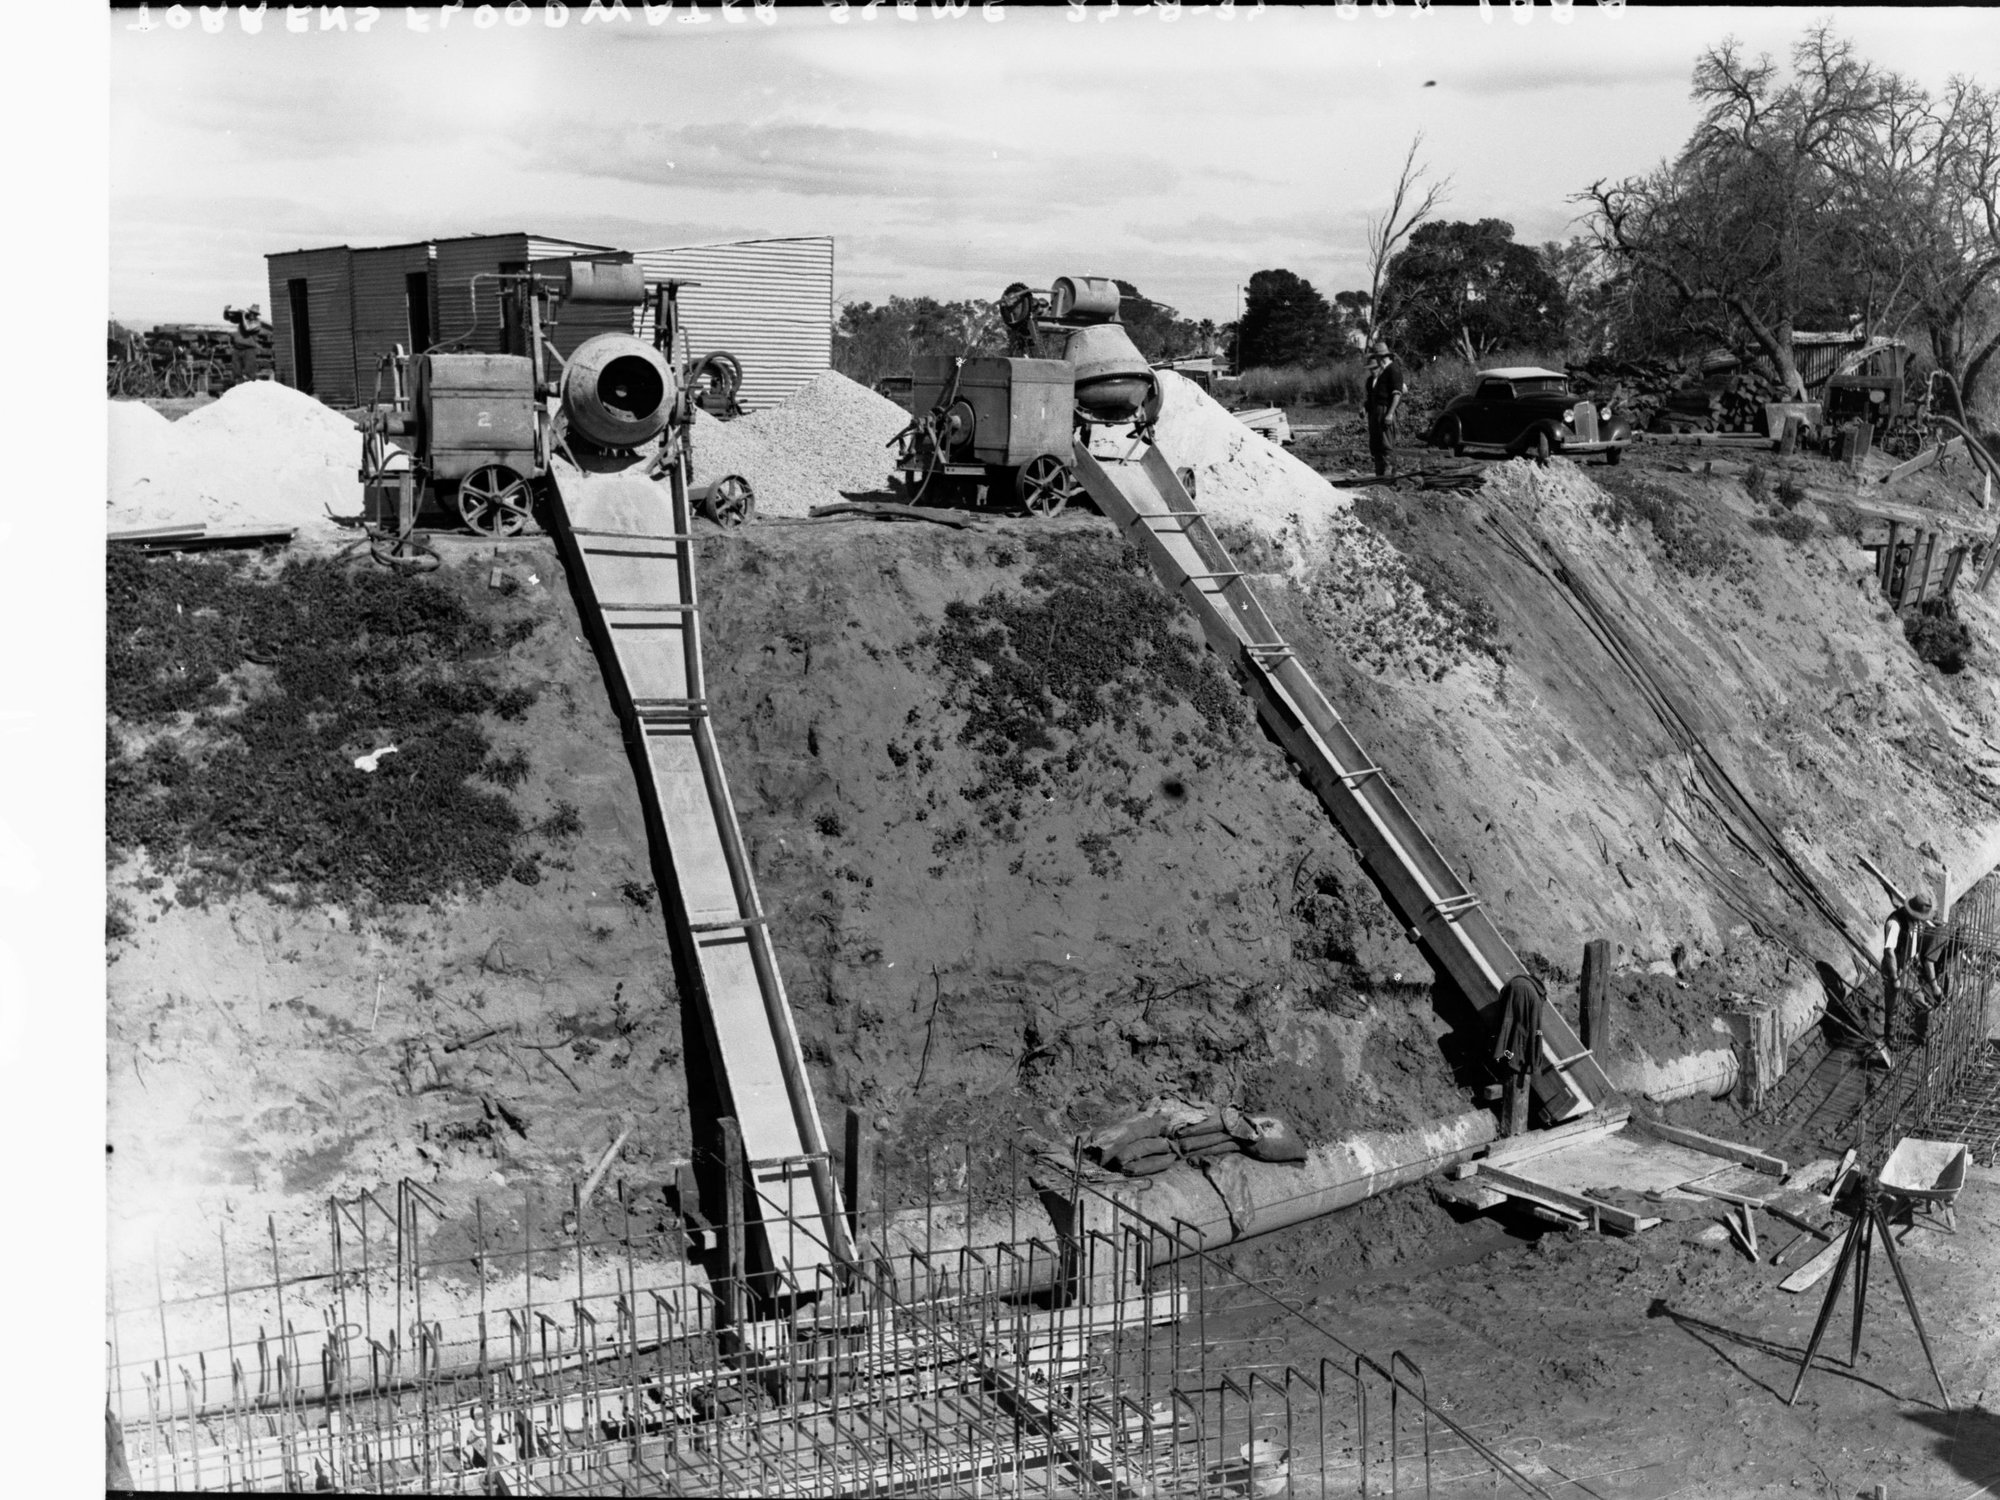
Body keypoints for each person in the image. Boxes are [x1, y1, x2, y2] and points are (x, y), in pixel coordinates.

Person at [1880, 890, 1942, 1046]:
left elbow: (1913, 942)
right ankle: (1890, 1037)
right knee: (1892, 1003)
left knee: (1922, 1004)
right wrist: (1894, 977)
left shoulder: (1915, 922)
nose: (1922, 921)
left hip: (1908, 965)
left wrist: (1915, 961)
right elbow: (1889, 951)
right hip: (1894, 967)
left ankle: (1921, 1036)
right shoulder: (1894, 923)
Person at [1492, 970, 1546, 1137]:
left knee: (1515, 1032)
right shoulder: (1536, 999)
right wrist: (1535, 1060)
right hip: (1521, 992)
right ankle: (1512, 1129)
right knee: (1525, 1034)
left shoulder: (1533, 996)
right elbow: (1536, 1032)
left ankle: (1506, 1055)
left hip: (1516, 987)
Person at [1362, 339, 1406, 478]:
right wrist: (1366, 407)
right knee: (1376, 444)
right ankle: (1379, 474)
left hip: (1385, 409)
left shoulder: (1393, 370)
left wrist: (1390, 413)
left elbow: (1397, 394)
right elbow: (1373, 396)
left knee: (1386, 444)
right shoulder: (1381, 374)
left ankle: (1389, 475)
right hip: (1376, 410)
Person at [229, 303, 265, 384]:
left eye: (254, 314)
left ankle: (249, 389)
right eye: (251, 312)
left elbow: (247, 328)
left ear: (256, 315)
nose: (252, 315)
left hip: (249, 350)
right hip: (237, 348)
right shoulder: (244, 319)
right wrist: (226, 311)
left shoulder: (257, 323)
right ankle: (237, 387)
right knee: (236, 371)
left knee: (249, 372)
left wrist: (243, 316)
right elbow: (229, 318)